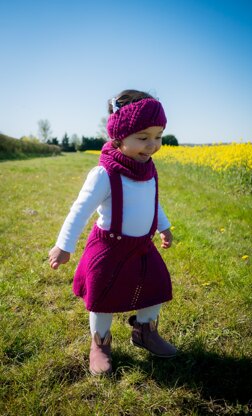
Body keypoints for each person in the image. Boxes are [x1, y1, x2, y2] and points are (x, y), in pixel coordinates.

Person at [49, 89, 177, 376]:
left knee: (155, 286)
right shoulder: (105, 174)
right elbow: (79, 210)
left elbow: (153, 200)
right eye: (143, 137)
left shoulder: (149, 169)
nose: (152, 145)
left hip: (142, 247)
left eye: (158, 136)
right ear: (118, 137)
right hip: (109, 248)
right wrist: (64, 245)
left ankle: (145, 331)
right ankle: (100, 343)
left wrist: (163, 225)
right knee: (102, 297)